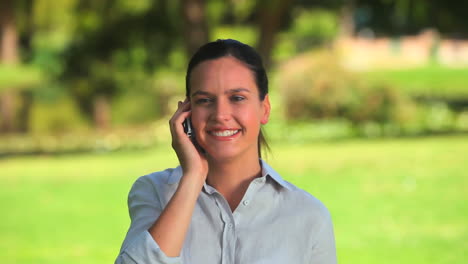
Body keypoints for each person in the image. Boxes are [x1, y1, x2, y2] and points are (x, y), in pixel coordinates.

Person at [115, 39, 337, 264]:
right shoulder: (154, 192)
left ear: (265, 109)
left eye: (237, 98)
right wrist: (192, 177)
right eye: (205, 100)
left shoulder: (309, 215)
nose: (220, 114)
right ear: (186, 111)